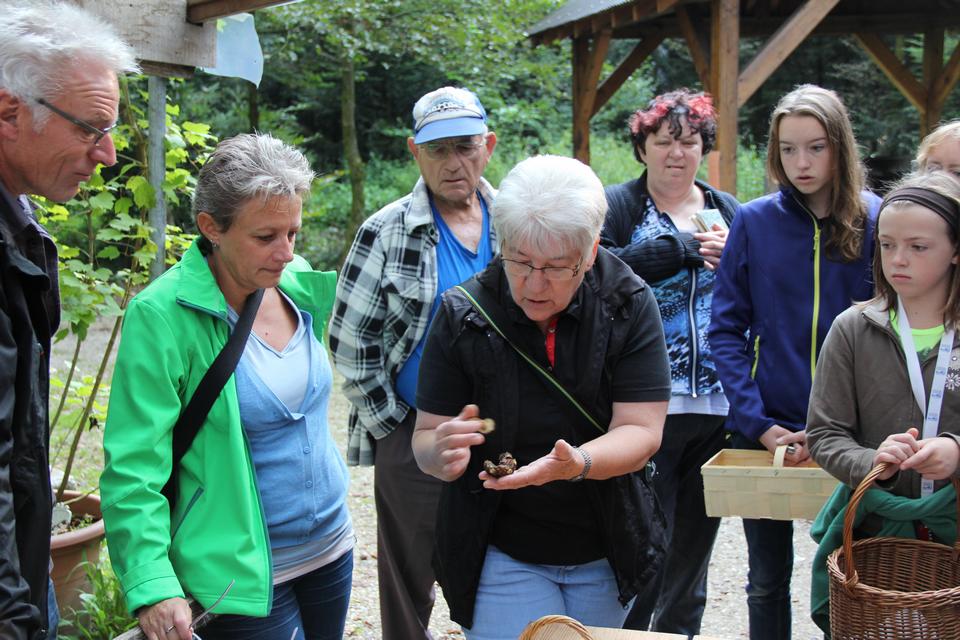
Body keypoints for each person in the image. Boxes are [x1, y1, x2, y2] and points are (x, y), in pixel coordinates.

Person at [100, 134, 353, 640]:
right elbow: (133, 469)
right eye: (266, 236)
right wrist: (152, 582)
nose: (286, 252)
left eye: (293, 232)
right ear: (211, 227)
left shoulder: (294, 282)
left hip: (331, 549)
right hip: (237, 574)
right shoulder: (161, 315)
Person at [412, 154, 672, 640]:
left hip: (605, 544)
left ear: (590, 252)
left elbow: (641, 429)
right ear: (502, 243)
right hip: (500, 546)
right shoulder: (463, 313)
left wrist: (577, 463)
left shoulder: (627, 302)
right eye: (521, 262)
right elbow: (426, 438)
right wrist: (439, 454)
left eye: (555, 267)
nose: (534, 284)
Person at [709, 84, 881, 640]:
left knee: (850, 574)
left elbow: (889, 335)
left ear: (840, 148)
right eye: (787, 149)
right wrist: (758, 423)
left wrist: (838, 429)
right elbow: (725, 330)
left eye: (815, 148)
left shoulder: (877, 220)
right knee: (765, 580)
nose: (800, 163)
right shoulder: (754, 221)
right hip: (767, 427)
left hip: (853, 434)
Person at [328, 86, 497, 639]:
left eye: (465, 146)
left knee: (504, 569)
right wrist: (394, 429)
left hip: (506, 433)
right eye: (438, 150)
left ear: (488, 146)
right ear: (414, 152)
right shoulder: (387, 230)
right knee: (408, 577)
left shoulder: (517, 219)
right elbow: (349, 339)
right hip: (414, 429)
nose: (453, 163)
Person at [0, 4, 137, 638]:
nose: (107, 154)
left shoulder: (18, 221)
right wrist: (13, 616)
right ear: (9, 113)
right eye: (91, 128)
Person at [601, 89, 738, 636]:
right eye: (664, 141)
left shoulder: (728, 211)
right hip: (646, 406)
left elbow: (758, 296)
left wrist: (737, 261)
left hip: (717, 406)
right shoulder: (620, 206)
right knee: (645, 546)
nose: (677, 153)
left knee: (695, 552)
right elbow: (598, 270)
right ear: (642, 148)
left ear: (704, 148)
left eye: (690, 141)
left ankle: (682, 634)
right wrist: (679, 248)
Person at [806, 171, 960, 631]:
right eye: (887, 245)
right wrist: (872, 460)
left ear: (956, 250)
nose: (898, 259)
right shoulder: (852, 329)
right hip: (872, 539)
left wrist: (955, 451)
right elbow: (824, 434)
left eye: (918, 247)